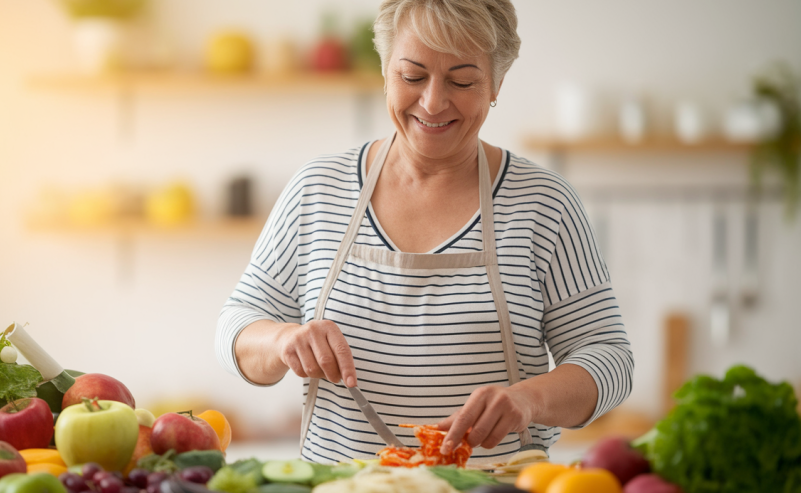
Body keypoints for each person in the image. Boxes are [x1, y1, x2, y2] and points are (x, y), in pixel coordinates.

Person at [216, 0, 633, 465]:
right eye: (412, 76)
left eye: (462, 80)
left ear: (496, 83)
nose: (433, 102)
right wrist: (280, 341)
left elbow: (609, 357)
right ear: (385, 69)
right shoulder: (318, 188)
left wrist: (529, 400)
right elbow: (236, 325)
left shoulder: (543, 203)